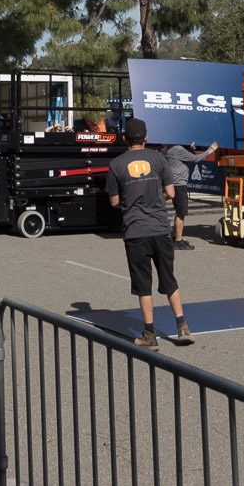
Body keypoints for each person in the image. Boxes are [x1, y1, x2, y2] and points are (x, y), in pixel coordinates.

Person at [104, 118, 193, 350]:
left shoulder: (116, 164)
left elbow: (114, 201)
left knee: (144, 285)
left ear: (125, 139)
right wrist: (155, 195)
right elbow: (171, 192)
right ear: (145, 137)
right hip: (160, 229)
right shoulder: (159, 158)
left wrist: (130, 198)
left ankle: (149, 335)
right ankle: (182, 327)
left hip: (135, 231)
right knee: (169, 279)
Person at [158, 140, 219, 250]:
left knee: (179, 212)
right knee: (181, 213)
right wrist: (209, 151)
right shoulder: (178, 149)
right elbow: (195, 159)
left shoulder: (171, 147)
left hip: (175, 183)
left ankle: (174, 238)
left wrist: (191, 150)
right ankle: (178, 241)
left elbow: (186, 158)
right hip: (179, 184)